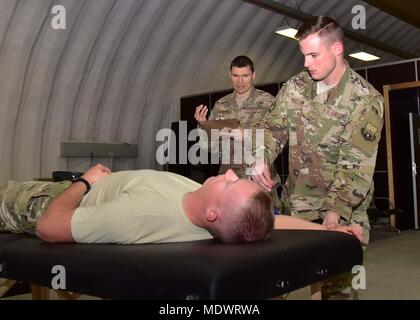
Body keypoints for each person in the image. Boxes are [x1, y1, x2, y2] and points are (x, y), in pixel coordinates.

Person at [251, 16, 383, 298]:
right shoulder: (296, 86)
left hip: (341, 211)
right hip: (297, 208)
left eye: (313, 55)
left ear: (337, 49)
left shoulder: (364, 99)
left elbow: (355, 167)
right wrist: (262, 157)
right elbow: (272, 127)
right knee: (272, 284)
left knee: (334, 292)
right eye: (303, 55)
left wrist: (334, 216)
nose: (306, 63)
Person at [0, 164, 363, 244]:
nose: (231, 172)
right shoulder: (201, 203)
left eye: (230, 183)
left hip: (43, 201)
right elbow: (274, 222)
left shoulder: (138, 214)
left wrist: (85, 181)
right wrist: (329, 229)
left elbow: (50, 227)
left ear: (212, 214)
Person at [194, 55, 282, 209]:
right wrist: (203, 126)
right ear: (230, 75)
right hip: (230, 180)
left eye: (245, 76)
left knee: (264, 226)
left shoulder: (267, 101)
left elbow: (278, 136)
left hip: (258, 179)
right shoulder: (221, 105)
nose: (240, 81)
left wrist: (246, 135)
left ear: (253, 75)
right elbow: (210, 147)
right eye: (236, 76)